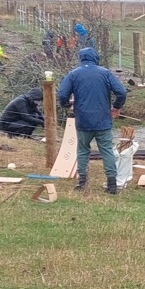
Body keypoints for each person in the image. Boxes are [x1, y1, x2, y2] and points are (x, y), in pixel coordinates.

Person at [57, 47, 127, 194]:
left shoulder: (73, 74)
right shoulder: (105, 73)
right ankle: (112, 184)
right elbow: (121, 92)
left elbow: (62, 94)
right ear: (95, 58)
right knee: (106, 150)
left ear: (81, 58)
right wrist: (116, 107)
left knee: (83, 150)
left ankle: (82, 182)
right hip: (103, 120)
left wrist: (67, 105)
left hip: (83, 119)